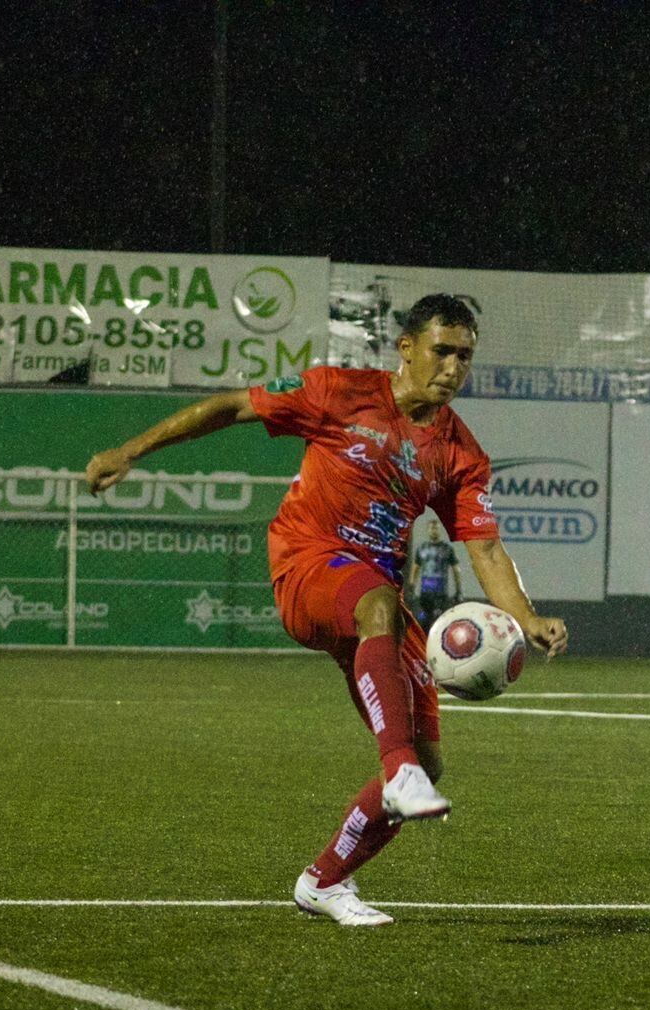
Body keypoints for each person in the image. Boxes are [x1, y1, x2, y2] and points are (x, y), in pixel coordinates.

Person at [85, 294, 568, 927]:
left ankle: (325, 880)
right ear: (407, 349)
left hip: (375, 597)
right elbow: (231, 406)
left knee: (430, 756)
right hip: (308, 566)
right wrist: (130, 451)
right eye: (441, 351)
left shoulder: (460, 453)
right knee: (378, 616)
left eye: (465, 357)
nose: (452, 368)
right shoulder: (338, 392)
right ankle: (396, 772)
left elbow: (484, 546)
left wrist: (527, 618)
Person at [408, 520, 462, 627]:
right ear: (428, 530)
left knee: (440, 622)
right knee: (423, 621)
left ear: (440, 530)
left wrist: (458, 590)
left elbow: (456, 570)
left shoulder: (447, 549)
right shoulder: (422, 549)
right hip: (425, 593)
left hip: (441, 593)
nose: (434, 531)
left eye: (436, 528)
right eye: (432, 528)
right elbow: (415, 569)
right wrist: (411, 587)